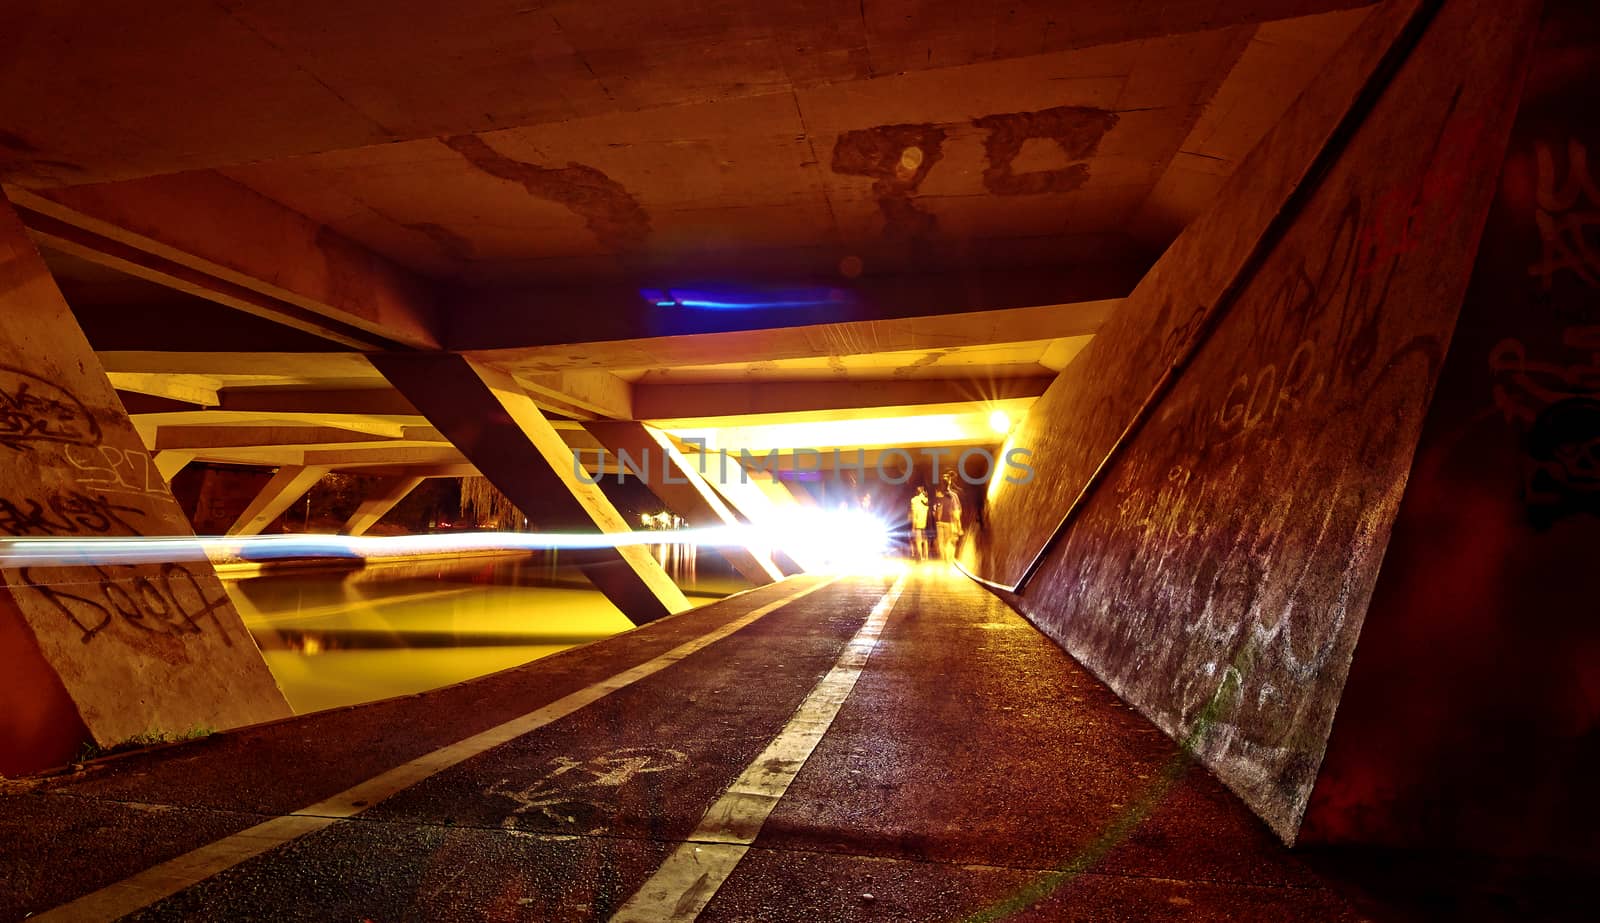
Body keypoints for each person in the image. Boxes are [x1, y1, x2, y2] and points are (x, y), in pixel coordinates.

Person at [936, 478, 963, 563]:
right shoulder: (953, 496)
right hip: (948, 522)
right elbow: (956, 512)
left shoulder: (938, 494)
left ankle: (943, 558)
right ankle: (947, 560)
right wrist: (959, 526)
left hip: (939, 522)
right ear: (949, 484)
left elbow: (935, 508)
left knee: (941, 542)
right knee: (948, 541)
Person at [909, 486, 930, 561]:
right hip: (925, 523)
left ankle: (920, 557)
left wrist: (913, 528)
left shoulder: (914, 500)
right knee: (925, 540)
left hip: (918, 524)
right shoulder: (926, 500)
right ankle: (926, 557)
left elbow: (914, 515)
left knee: (918, 541)